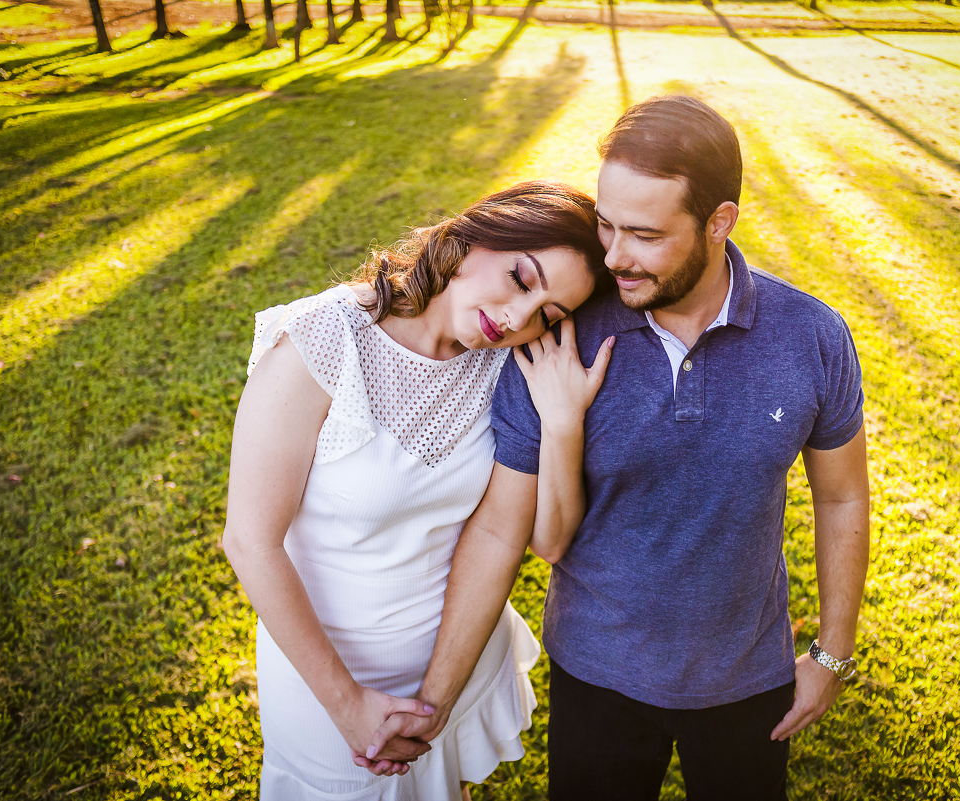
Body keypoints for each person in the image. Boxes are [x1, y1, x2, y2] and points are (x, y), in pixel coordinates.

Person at [368, 96, 871, 800]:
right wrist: (433, 700)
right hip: (595, 676)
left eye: (643, 234)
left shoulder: (812, 336)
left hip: (748, 680)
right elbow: (501, 532)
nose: (612, 256)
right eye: (605, 225)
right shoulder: (556, 335)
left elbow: (842, 494)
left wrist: (832, 652)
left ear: (719, 221)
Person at [221, 181, 614, 800]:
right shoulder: (322, 341)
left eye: (548, 314)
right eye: (520, 279)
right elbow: (250, 541)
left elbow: (497, 533)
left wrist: (436, 700)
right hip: (325, 675)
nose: (516, 319)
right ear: (476, 238)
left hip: (452, 659)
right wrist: (347, 705)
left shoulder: (511, 367)